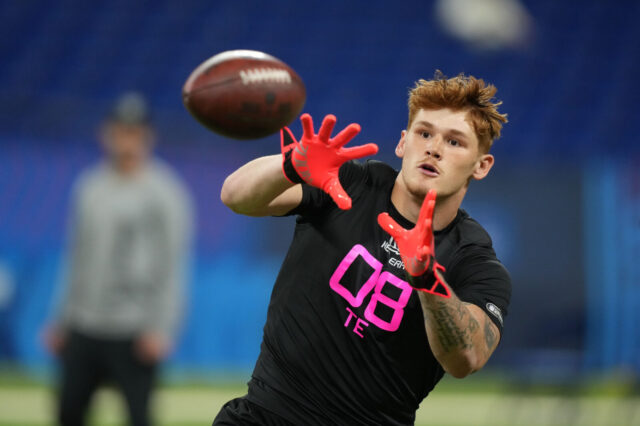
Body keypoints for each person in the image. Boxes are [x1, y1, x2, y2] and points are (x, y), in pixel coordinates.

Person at [215, 71, 511, 425]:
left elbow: (468, 359)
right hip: (264, 415)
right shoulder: (351, 184)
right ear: (403, 143)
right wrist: (291, 166)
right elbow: (235, 196)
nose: (433, 148)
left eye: (454, 142)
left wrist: (427, 280)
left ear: (481, 165)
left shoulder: (474, 259)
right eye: (425, 133)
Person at [43, 92, 193, 426]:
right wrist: (61, 317)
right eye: (121, 129)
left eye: (135, 131)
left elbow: (173, 265)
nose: (127, 138)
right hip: (84, 323)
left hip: (134, 327)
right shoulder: (90, 187)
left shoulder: (166, 192)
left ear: (148, 136)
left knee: (139, 417)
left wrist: (162, 327)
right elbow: (76, 256)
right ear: (107, 133)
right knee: (68, 413)